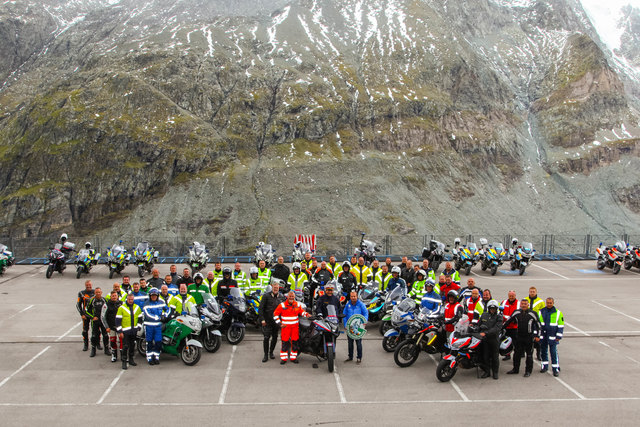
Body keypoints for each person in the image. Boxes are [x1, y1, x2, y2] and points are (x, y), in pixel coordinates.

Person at [505, 299, 541, 377]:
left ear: (528, 305)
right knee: (516, 354)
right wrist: (500, 329)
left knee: (529, 355)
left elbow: (539, 325)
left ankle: (528, 371)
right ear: (520, 305)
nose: (524, 305)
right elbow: (508, 322)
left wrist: (537, 336)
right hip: (519, 337)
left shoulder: (533, 313)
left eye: (525, 304)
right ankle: (515, 369)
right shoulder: (516, 312)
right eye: (522, 304)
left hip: (529, 337)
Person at [273, 290, 309, 364]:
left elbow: (301, 312)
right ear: (287, 297)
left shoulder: (297, 305)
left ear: (294, 297)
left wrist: (307, 315)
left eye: (292, 296)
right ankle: (284, 358)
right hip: (285, 328)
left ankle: (293, 358)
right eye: (290, 296)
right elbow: (275, 315)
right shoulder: (282, 305)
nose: (291, 298)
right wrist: (279, 323)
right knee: (284, 343)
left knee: (295, 343)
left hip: (295, 328)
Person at [258, 280, 285, 362]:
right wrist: (262, 319)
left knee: (275, 337)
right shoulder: (266, 296)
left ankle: (271, 352)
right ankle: (265, 355)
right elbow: (261, 309)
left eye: (277, 287)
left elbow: (284, 309)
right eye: (274, 287)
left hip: (276, 322)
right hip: (267, 321)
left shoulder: (281, 296)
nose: (276, 289)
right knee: (266, 337)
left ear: (278, 288)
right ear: (272, 287)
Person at [116, 293, 143, 370]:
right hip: (125, 331)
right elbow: (117, 321)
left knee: (132, 345)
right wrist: (120, 331)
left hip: (133, 331)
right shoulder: (121, 308)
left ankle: (131, 359)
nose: (130, 301)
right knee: (125, 346)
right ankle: (124, 361)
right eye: (129, 299)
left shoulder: (137, 307)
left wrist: (138, 327)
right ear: (126, 299)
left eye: (132, 299)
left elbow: (140, 318)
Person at [477, 300, 503, 379]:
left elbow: (496, 328)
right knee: (485, 356)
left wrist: (486, 333)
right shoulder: (484, 315)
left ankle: (495, 372)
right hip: (485, 339)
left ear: (496, 309)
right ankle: (487, 372)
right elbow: (479, 324)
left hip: (494, 339)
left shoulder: (499, 317)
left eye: (494, 308)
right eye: (491, 308)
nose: (492, 310)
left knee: (495, 357)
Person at [539, 297, 564, 376]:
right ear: (546, 303)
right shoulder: (541, 312)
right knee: (543, 352)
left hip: (553, 336)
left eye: (550, 303)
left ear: (553, 303)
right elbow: (538, 324)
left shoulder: (558, 313)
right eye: (548, 303)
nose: (549, 304)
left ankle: (555, 368)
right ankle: (544, 366)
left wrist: (558, 336)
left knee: (553, 352)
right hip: (544, 336)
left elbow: (560, 325)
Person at [143, 288, 168, 365]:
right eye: (152, 295)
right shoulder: (146, 303)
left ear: (157, 295)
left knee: (158, 342)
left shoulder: (161, 302)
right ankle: (150, 358)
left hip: (158, 326)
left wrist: (165, 315)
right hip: (149, 326)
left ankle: (156, 356)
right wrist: (158, 317)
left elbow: (167, 309)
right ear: (150, 296)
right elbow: (147, 314)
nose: (154, 297)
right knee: (149, 342)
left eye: (155, 295)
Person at [343, 291, 368, 364]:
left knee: (358, 343)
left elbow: (365, 313)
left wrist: (364, 322)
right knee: (350, 343)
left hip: (358, 327)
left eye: (354, 296)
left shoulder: (361, 305)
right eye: (351, 296)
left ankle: (359, 358)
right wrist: (345, 325)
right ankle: (350, 357)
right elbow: (344, 315)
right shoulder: (348, 305)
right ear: (350, 297)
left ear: (357, 296)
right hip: (349, 327)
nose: (353, 298)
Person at [86, 287, 109, 357]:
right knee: (94, 336)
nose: (98, 293)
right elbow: (86, 311)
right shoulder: (91, 300)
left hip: (103, 321)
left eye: (99, 292)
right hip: (95, 321)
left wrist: (107, 318)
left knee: (105, 335)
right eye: (96, 292)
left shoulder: (105, 300)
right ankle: (93, 350)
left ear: (101, 293)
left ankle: (106, 349)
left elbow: (109, 309)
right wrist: (92, 317)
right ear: (94, 293)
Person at [101, 290, 123, 362]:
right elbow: (103, 317)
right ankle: (114, 356)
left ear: (117, 296)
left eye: (115, 296)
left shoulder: (121, 303)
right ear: (110, 296)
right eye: (113, 296)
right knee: (113, 341)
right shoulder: (106, 305)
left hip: (120, 327)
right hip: (111, 327)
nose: (114, 297)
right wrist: (107, 327)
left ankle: (123, 355)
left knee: (122, 341)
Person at [500, 290, 520, 361]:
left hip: (514, 327)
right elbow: (500, 312)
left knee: (515, 342)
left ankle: (517, 355)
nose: (511, 297)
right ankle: (507, 354)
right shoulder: (504, 302)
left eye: (513, 296)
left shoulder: (518, 303)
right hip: (505, 326)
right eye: (510, 296)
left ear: (515, 296)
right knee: (505, 342)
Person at [76, 280, 95, 351]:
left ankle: (97, 343)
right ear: (85, 285)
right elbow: (78, 305)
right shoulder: (81, 293)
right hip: (85, 315)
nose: (88, 286)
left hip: (93, 314)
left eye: (89, 285)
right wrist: (82, 314)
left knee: (96, 330)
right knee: (85, 330)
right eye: (87, 285)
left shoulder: (95, 292)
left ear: (92, 285)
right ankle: (86, 344)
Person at [527, 286, 545, 360]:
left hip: (536, 322)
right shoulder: (526, 299)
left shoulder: (540, 302)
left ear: (536, 292)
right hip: (528, 322)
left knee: (538, 340)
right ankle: (525, 353)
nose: (532, 293)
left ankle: (538, 354)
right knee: (527, 339)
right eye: (531, 291)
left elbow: (543, 312)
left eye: (533, 291)